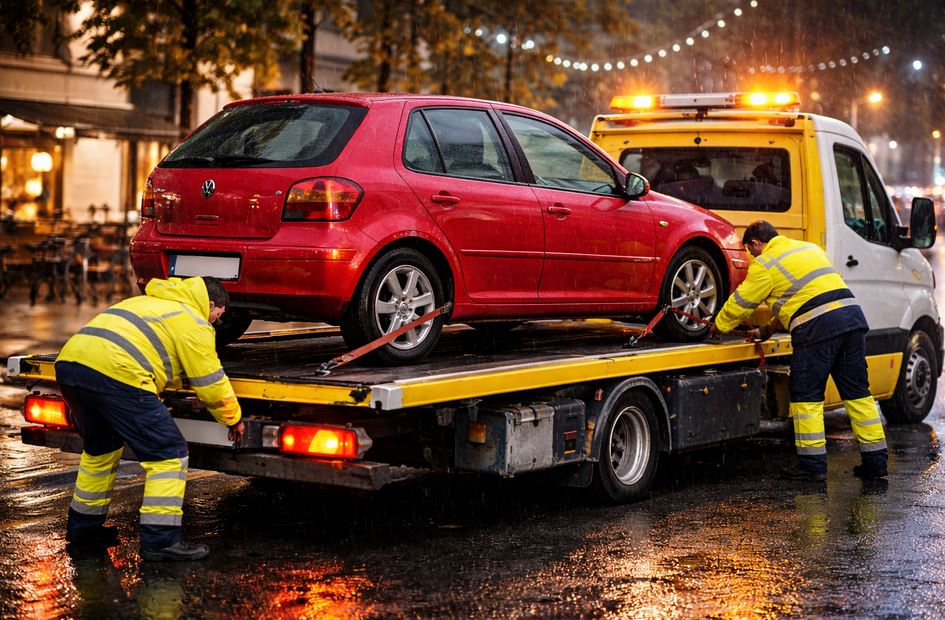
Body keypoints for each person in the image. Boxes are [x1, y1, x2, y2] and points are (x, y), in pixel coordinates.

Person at [56, 275, 244, 561]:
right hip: (117, 374)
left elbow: (151, 350)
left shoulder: (147, 303)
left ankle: (83, 530)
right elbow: (211, 383)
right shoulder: (193, 320)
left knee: (100, 450)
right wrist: (233, 419)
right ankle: (160, 541)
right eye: (217, 316)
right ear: (210, 304)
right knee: (169, 454)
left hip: (71, 366)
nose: (215, 323)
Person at [708, 220, 887, 482]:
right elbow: (803, 296)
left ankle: (812, 466)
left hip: (817, 329)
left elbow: (742, 302)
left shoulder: (765, 264)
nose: (751, 256)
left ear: (755, 243)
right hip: (852, 320)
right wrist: (766, 330)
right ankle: (876, 462)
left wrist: (719, 325)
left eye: (749, 250)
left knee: (806, 395)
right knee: (858, 392)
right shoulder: (808, 249)